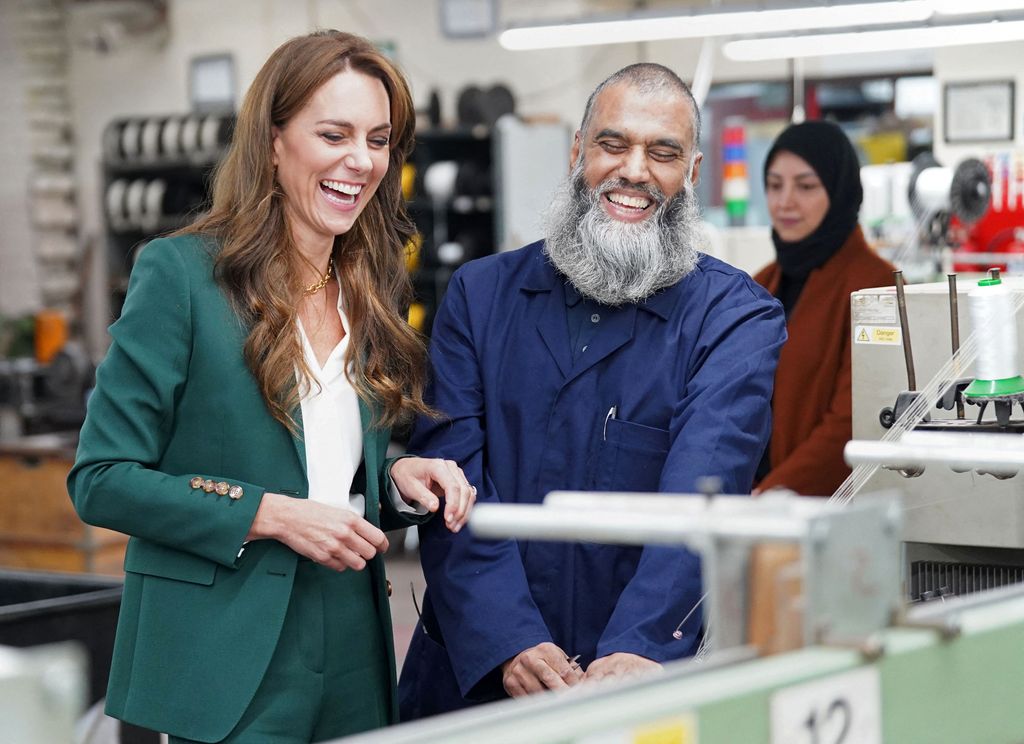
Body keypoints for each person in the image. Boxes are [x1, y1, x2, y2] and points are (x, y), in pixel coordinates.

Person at [68, 30, 476, 744]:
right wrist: (272, 515)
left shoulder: (366, 287)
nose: (361, 159)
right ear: (275, 140)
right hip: (219, 655)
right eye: (334, 133)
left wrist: (400, 477)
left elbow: (332, 467)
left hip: (352, 640)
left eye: (379, 139)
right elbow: (102, 479)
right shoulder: (181, 276)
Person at [398, 63, 786, 719]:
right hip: (472, 676)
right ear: (578, 153)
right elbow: (452, 480)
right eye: (613, 144)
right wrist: (508, 639)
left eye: (662, 153)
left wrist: (638, 648)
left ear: (691, 175)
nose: (634, 170)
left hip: (635, 683)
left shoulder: (736, 320)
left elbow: (703, 493)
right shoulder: (481, 296)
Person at [752, 120, 895, 497]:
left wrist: (769, 496)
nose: (785, 202)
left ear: (839, 189)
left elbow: (855, 421)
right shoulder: (758, 285)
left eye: (806, 186)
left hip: (823, 511)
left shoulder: (878, 287)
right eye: (774, 184)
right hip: (748, 503)